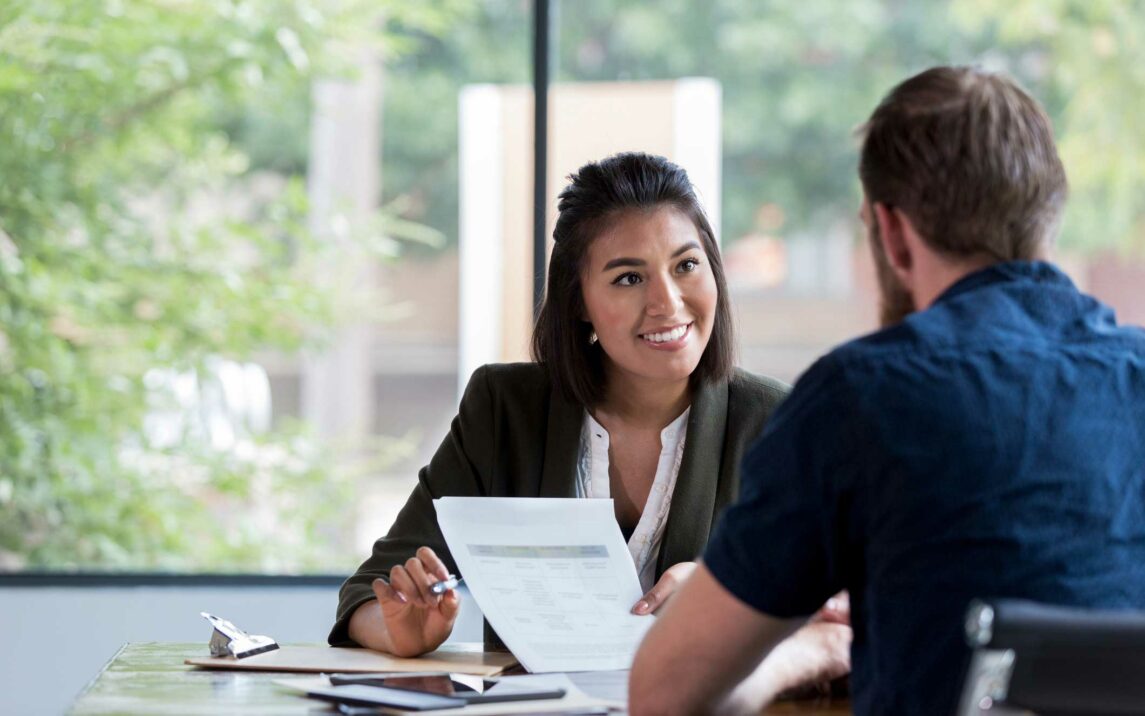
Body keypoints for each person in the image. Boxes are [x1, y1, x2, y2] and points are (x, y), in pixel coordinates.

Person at [629, 66, 1145, 715]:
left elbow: (663, 695)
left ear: (891, 232)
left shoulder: (861, 397)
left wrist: (807, 651)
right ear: (1048, 213)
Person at [328, 153, 850, 691]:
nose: (667, 303)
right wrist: (399, 632)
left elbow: (846, 608)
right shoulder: (504, 409)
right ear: (579, 301)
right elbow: (368, 592)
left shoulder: (778, 423)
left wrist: (728, 593)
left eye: (686, 266)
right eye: (628, 278)